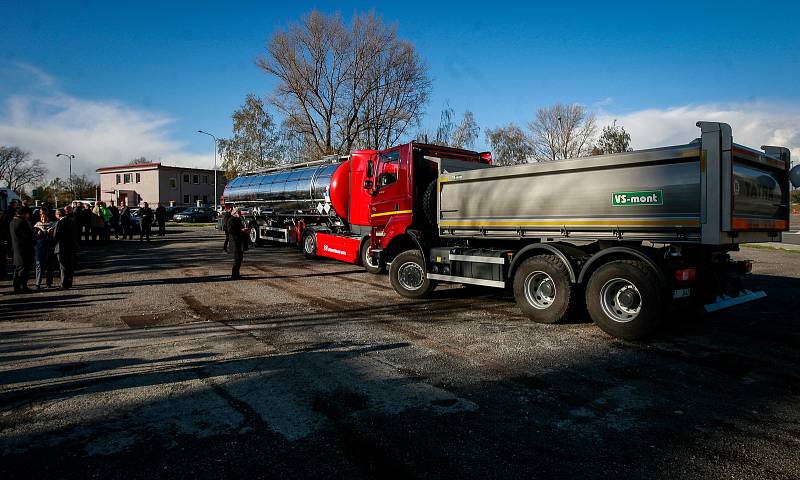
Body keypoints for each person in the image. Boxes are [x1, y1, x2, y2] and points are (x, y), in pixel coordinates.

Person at [9, 206, 34, 293]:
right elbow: (27, 237)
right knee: (24, 269)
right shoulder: (22, 222)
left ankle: (16, 287)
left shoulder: (12, 222)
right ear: (24, 214)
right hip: (24, 249)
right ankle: (23, 287)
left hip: (16, 248)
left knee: (17, 269)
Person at [53, 207, 78, 289]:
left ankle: (64, 283)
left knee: (63, 266)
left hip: (61, 247)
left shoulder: (60, 223)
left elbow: (56, 236)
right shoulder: (71, 221)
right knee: (69, 265)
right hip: (70, 246)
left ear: (58, 214)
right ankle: (69, 282)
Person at [33, 210, 56, 289]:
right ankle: (37, 283)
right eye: (42, 217)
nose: (43, 219)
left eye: (44, 217)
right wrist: (42, 233)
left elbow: (55, 237)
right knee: (39, 266)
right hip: (39, 248)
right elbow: (34, 237)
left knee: (50, 266)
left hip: (50, 248)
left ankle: (49, 283)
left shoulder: (53, 225)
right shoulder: (37, 226)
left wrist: (50, 233)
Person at [226, 207, 249, 280]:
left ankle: (237, 273)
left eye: (240, 212)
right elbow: (230, 230)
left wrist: (245, 231)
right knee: (237, 258)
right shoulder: (231, 220)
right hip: (235, 242)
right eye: (238, 212)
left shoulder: (239, 219)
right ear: (235, 213)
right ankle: (234, 275)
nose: (240, 213)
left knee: (240, 258)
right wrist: (241, 230)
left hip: (240, 241)